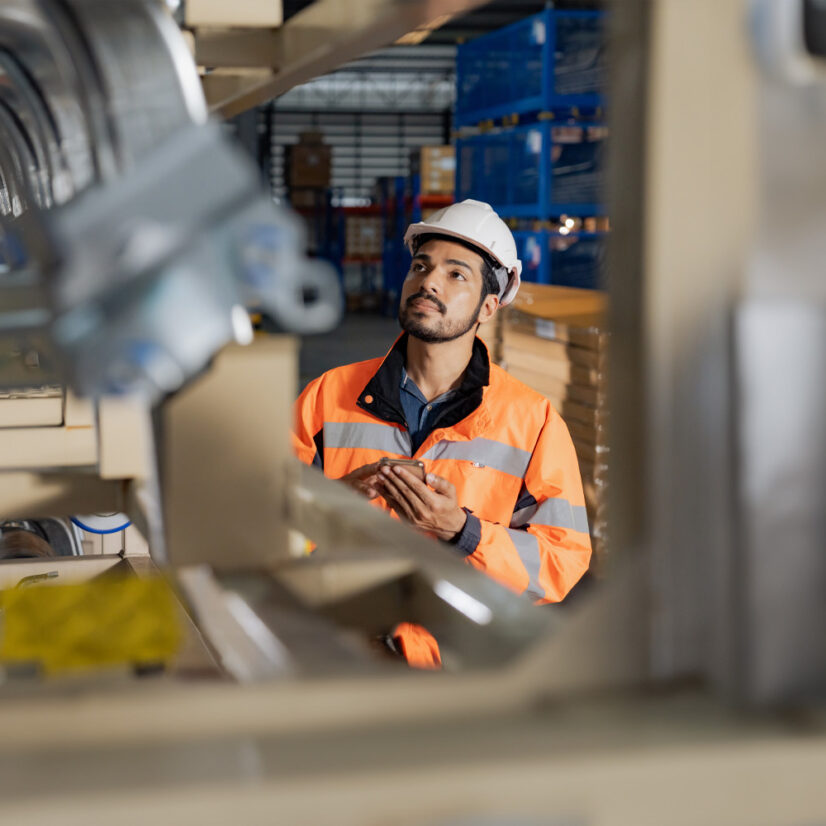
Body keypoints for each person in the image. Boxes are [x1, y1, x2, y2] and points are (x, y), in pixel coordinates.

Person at [293, 199, 591, 665]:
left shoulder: (532, 421)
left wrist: (463, 531)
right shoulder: (328, 396)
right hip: (337, 655)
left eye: (457, 274)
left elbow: (561, 561)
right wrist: (334, 507)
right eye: (420, 265)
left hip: (456, 671)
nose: (429, 281)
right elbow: (264, 526)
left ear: (488, 306)